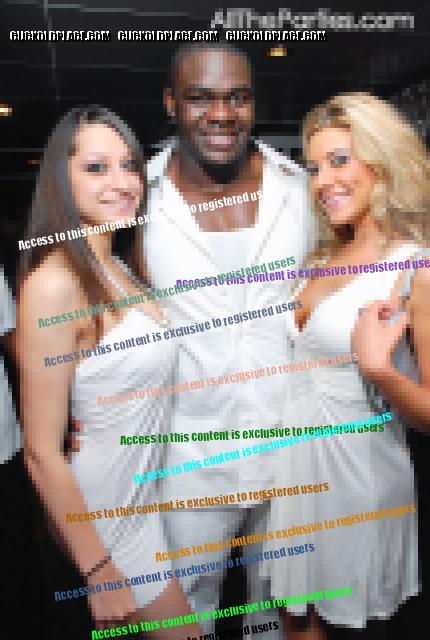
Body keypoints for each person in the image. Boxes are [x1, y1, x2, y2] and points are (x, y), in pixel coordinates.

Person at [140, 42, 316, 636]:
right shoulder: (137, 197)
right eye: (201, 98)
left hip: (292, 447)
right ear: (171, 103)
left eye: (238, 97)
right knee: (187, 611)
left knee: (281, 610)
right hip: (187, 456)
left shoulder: (299, 189)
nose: (222, 114)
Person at [16, 105, 204, 638]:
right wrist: (97, 567)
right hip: (106, 514)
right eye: (97, 168)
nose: (122, 183)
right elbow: (40, 450)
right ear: (61, 179)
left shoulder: (117, 264)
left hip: (144, 497)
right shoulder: (55, 285)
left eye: (129, 166)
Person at [261, 92, 430, 639]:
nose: (323, 181)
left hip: (358, 479)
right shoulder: (320, 258)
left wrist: (380, 371)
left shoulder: (415, 268)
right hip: (296, 472)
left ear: (381, 161)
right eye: (315, 168)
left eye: (339, 161)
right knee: (296, 620)